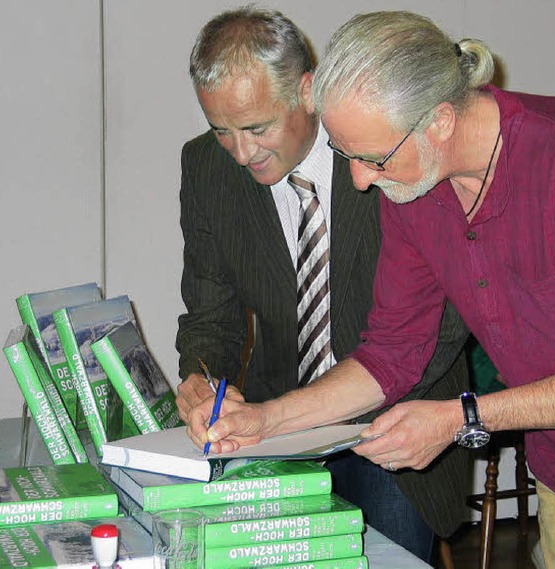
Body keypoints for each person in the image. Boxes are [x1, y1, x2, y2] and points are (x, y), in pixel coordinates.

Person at [190, 10, 555, 569]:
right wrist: (267, 420)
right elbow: (392, 353)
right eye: (349, 157)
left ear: (440, 122)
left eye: (372, 158)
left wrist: (461, 417)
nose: (360, 180)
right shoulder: (416, 185)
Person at [174, 7, 470, 562]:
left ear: (307, 91)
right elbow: (211, 314)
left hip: (397, 423)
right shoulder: (206, 169)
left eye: (257, 128)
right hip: (274, 427)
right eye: (221, 131)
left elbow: (444, 326)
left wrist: (337, 408)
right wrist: (201, 380)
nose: (242, 153)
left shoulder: (383, 144)